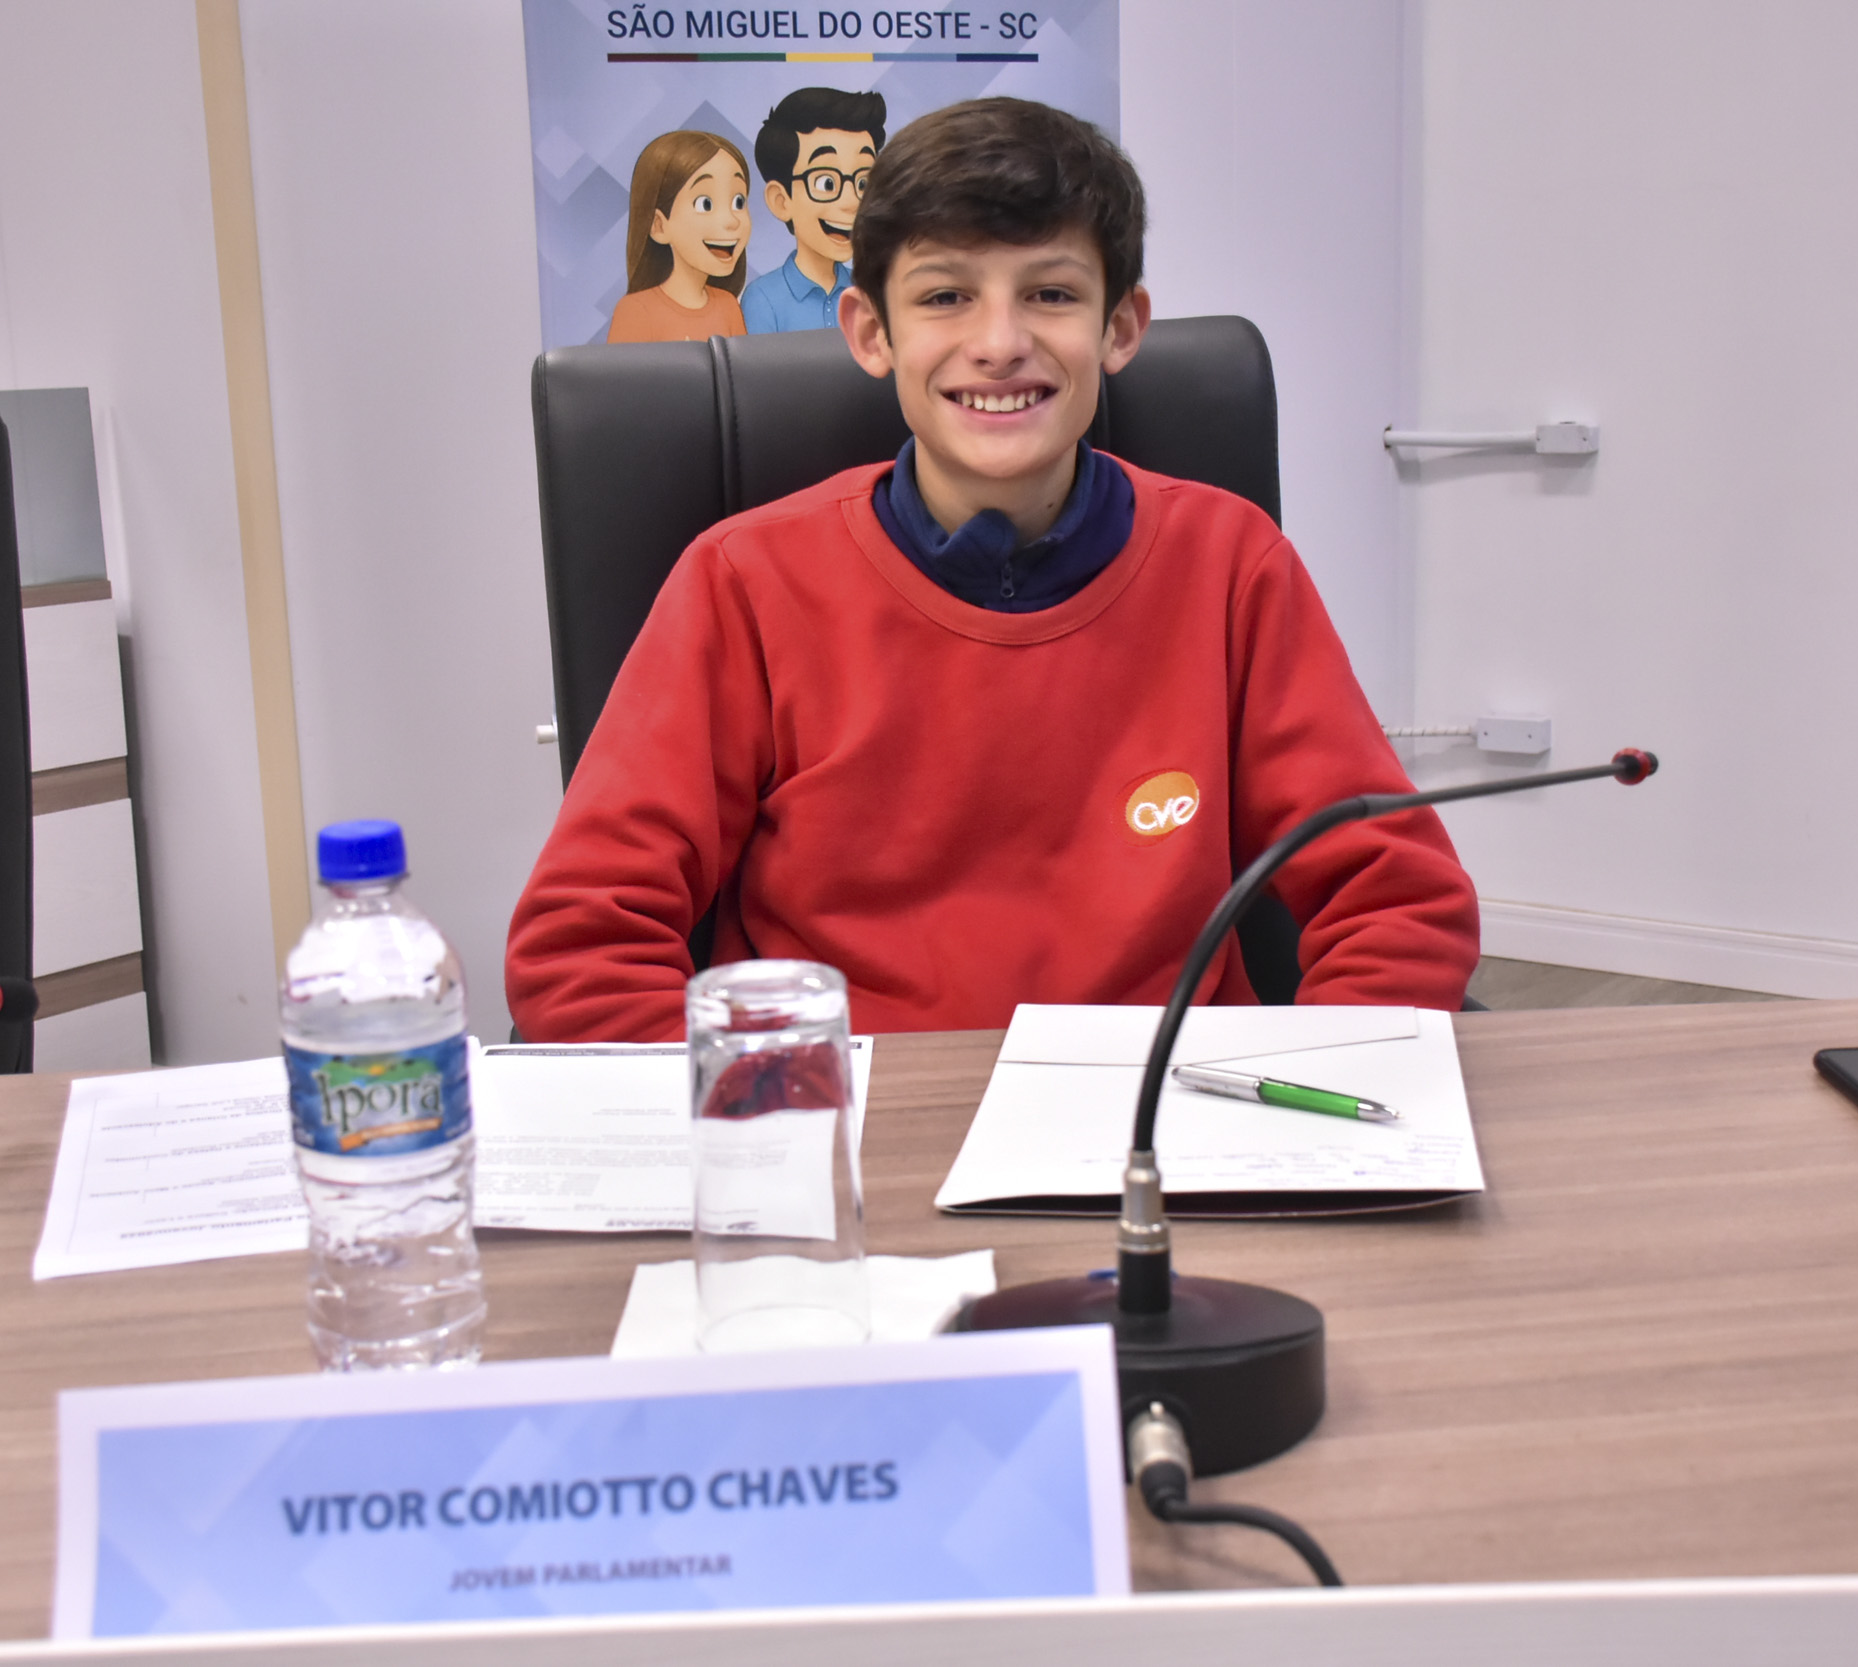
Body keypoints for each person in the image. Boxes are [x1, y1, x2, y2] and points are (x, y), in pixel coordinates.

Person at [509, 98, 1478, 1041]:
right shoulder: (743, 583)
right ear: (870, 332)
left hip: (1160, 1116)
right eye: (945, 297)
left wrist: (1304, 1100)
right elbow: (581, 947)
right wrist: (767, 1116)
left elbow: (1397, 900)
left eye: (1051, 294)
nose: (1000, 344)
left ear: (1121, 327)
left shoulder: (1229, 564)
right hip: (853, 1121)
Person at [739, 87, 886, 335]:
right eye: (827, 183)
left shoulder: (870, 292)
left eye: (863, 183)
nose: (851, 202)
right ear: (781, 201)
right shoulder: (763, 299)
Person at [606, 130, 751, 344]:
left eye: (738, 202)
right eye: (705, 204)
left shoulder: (728, 305)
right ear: (658, 225)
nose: (731, 221)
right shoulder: (636, 311)